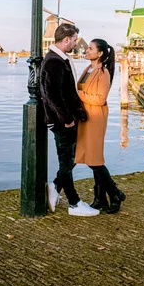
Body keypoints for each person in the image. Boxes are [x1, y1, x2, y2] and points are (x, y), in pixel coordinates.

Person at [40, 23, 100, 217]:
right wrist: (66, 119)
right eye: (74, 39)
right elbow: (52, 95)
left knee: (72, 158)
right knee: (67, 162)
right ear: (66, 40)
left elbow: (66, 92)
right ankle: (74, 204)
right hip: (61, 121)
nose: (76, 43)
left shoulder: (60, 58)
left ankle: (55, 186)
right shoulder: (53, 61)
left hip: (67, 119)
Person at [74, 39, 126, 214]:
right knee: (91, 158)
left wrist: (79, 94)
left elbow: (100, 99)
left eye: (90, 48)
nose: (86, 50)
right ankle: (100, 199)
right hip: (85, 117)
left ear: (100, 53)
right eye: (87, 48)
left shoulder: (103, 73)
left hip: (95, 118)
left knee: (94, 159)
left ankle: (115, 193)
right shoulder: (87, 69)